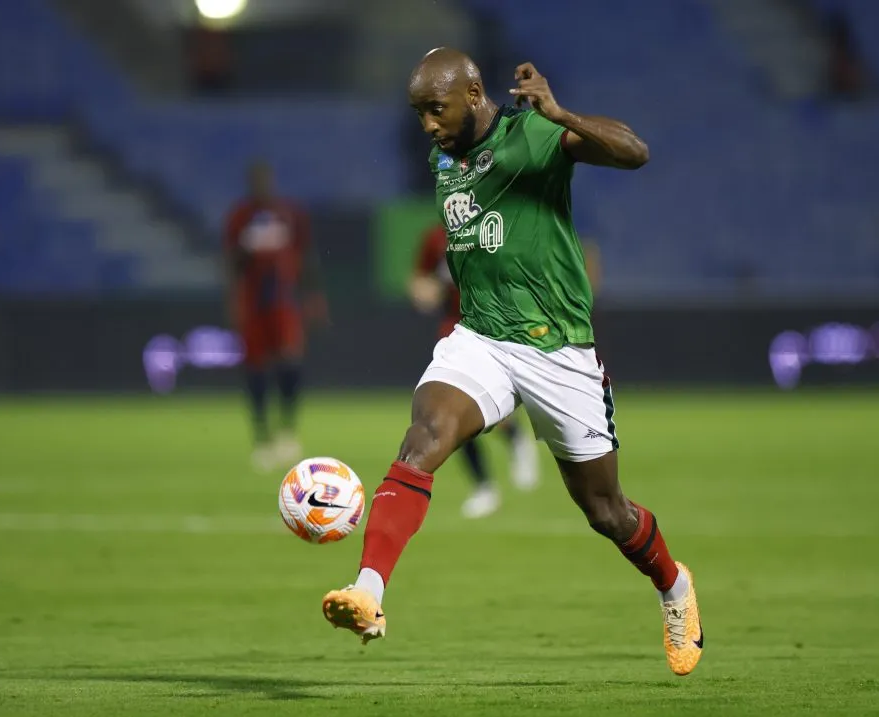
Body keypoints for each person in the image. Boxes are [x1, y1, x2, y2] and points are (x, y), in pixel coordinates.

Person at [322, 49, 703, 676]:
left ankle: (673, 586)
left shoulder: (536, 133)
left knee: (606, 512)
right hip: (482, 339)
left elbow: (635, 152)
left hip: (559, 350)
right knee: (424, 439)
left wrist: (561, 113)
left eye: (435, 110)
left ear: (474, 93)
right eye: (417, 113)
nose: (427, 126)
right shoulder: (445, 158)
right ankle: (369, 591)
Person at [409, 223, 539, 519]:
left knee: (488, 413)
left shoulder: (494, 226)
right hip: (454, 330)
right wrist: (423, 291)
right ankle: (484, 487)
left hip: (493, 328)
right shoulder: (435, 237)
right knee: (447, 415)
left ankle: (515, 436)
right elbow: (420, 278)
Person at [224, 160, 327, 471]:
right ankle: (262, 436)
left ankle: (287, 429)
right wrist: (233, 300)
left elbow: (305, 256)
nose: (261, 186)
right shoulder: (240, 217)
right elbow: (231, 262)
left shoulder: (290, 214)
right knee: (255, 370)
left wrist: (313, 296)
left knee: (289, 362)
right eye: (255, 181)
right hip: (253, 303)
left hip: (284, 303)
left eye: (264, 179)